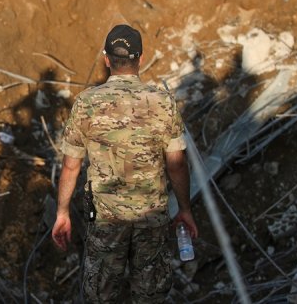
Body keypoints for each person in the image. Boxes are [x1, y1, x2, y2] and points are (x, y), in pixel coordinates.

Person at [52, 24, 199, 303]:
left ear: (107, 59)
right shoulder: (162, 102)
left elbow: (71, 166)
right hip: (151, 218)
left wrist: (62, 212)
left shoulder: (86, 103)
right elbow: (177, 164)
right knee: (149, 295)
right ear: (140, 59)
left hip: (106, 220)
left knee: (101, 295)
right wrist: (185, 209)